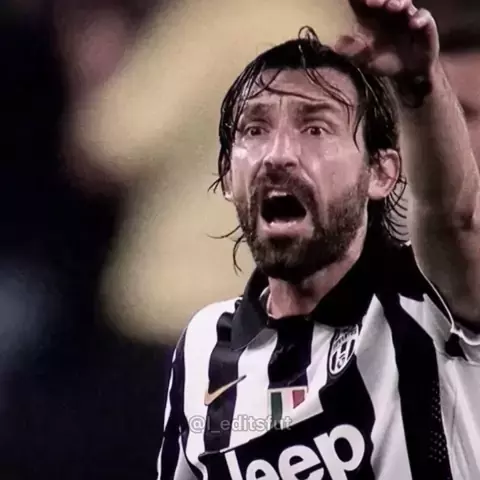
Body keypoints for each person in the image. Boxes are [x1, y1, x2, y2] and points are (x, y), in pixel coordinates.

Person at [157, 0, 480, 478]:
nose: (278, 155)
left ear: (381, 172)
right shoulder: (203, 347)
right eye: (255, 129)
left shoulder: (427, 302)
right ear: (227, 176)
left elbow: (454, 218)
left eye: (315, 127)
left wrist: (417, 82)